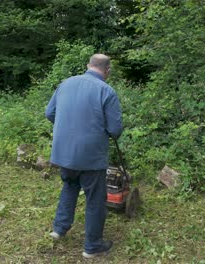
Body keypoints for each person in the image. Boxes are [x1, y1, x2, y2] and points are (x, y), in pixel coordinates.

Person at [45, 54, 123, 258]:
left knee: (70, 186)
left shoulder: (65, 83)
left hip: (64, 152)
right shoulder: (106, 90)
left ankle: (59, 229)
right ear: (108, 71)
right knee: (96, 199)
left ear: (88, 66)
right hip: (91, 156)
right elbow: (115, 129)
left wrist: (69, 126)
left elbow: (49, 113)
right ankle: (92, 246)